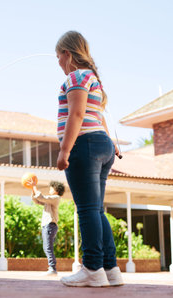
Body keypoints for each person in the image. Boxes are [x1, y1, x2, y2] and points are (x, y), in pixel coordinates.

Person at [54, 31, 123, 287]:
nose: (58, 62)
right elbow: (98, 116)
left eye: (58, 56)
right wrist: (110, 142)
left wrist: (64, 150)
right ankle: (110, 268)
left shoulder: (75, 76)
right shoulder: (92, 78)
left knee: (86, 210)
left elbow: (77, 114)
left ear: (67, 54)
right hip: (101, 145)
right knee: (95, 209)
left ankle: (92, 268)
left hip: (84, 145)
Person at [31, 181, 64, 276]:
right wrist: (33, 189)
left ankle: (52, 268)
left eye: (51, 188)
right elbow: (37, 200)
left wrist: (34, 186)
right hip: (47, 225)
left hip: (50, 225)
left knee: (48, 247)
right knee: (46, 247)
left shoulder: (55, 198)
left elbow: (41, 197)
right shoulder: (49, 201)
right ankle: (52, 268)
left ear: (57, 190)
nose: (49, 189)